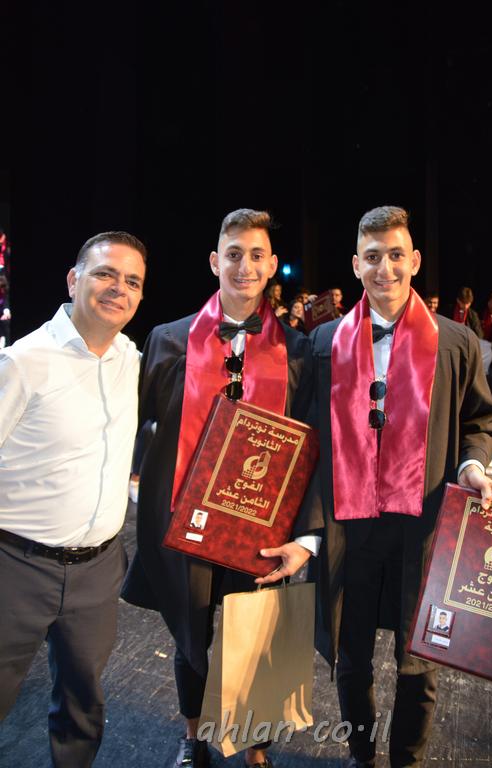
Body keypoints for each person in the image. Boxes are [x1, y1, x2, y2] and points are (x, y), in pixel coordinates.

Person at [308, 206, 492, 768]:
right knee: (351, 655)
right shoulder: (324, 342)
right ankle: (361, 755)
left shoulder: (456, 342)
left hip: (425, 525)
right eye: (372, 257)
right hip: (350, 526)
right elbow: (308, 434)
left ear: (414, 260)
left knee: (419, 660)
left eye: (396, 255)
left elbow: (482, 420)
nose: (385, 268)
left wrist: (471, 465)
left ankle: (408, 761)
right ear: (356, 265)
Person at [122, 208, 316, 768]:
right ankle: (194, 736)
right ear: (214, 262)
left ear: (272, 265)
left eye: (256, 255)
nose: (244, 266)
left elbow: (313, 445)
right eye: (233, 254)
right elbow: (139, 420)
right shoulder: (169, 339)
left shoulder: (298, 350)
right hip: (188, 519)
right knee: (191, 637)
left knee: (257, 637)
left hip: (261, 526)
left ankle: (255, 749)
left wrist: (306, 535)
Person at [0, 231, 147, 767]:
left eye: (132, 281)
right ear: (73, 279)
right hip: (16, 568)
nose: (118, 288)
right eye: (105, 273)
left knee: (83, 704)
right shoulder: (24, 361)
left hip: (98, 572)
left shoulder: (131, 358)